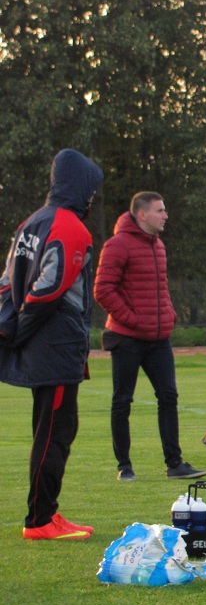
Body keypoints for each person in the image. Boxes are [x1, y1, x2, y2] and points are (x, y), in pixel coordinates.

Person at [0, 149, 102, 540]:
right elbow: (48, 288)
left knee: (53, 429)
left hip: (44, 345)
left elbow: (7, 280)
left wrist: (9, 327)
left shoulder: (32, 221)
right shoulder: (72, 227)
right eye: (91, 189)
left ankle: (46, 513)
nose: (93, 197)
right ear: (80, 187)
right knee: (55, 432)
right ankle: (41, 519)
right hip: (55, 347)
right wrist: (22, 329)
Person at [93, 192, 206, 481]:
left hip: (158, 339)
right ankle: (125, 467)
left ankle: (175, 464)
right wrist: (133, 320)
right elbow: (103, 290)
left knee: (168, 396)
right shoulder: (117, 245)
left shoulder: (159, 245)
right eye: (160, 210)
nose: (165, 215)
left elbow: (161, 287)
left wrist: (168, 314)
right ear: (142, 215)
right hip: (127, 338)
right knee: (123, 401)